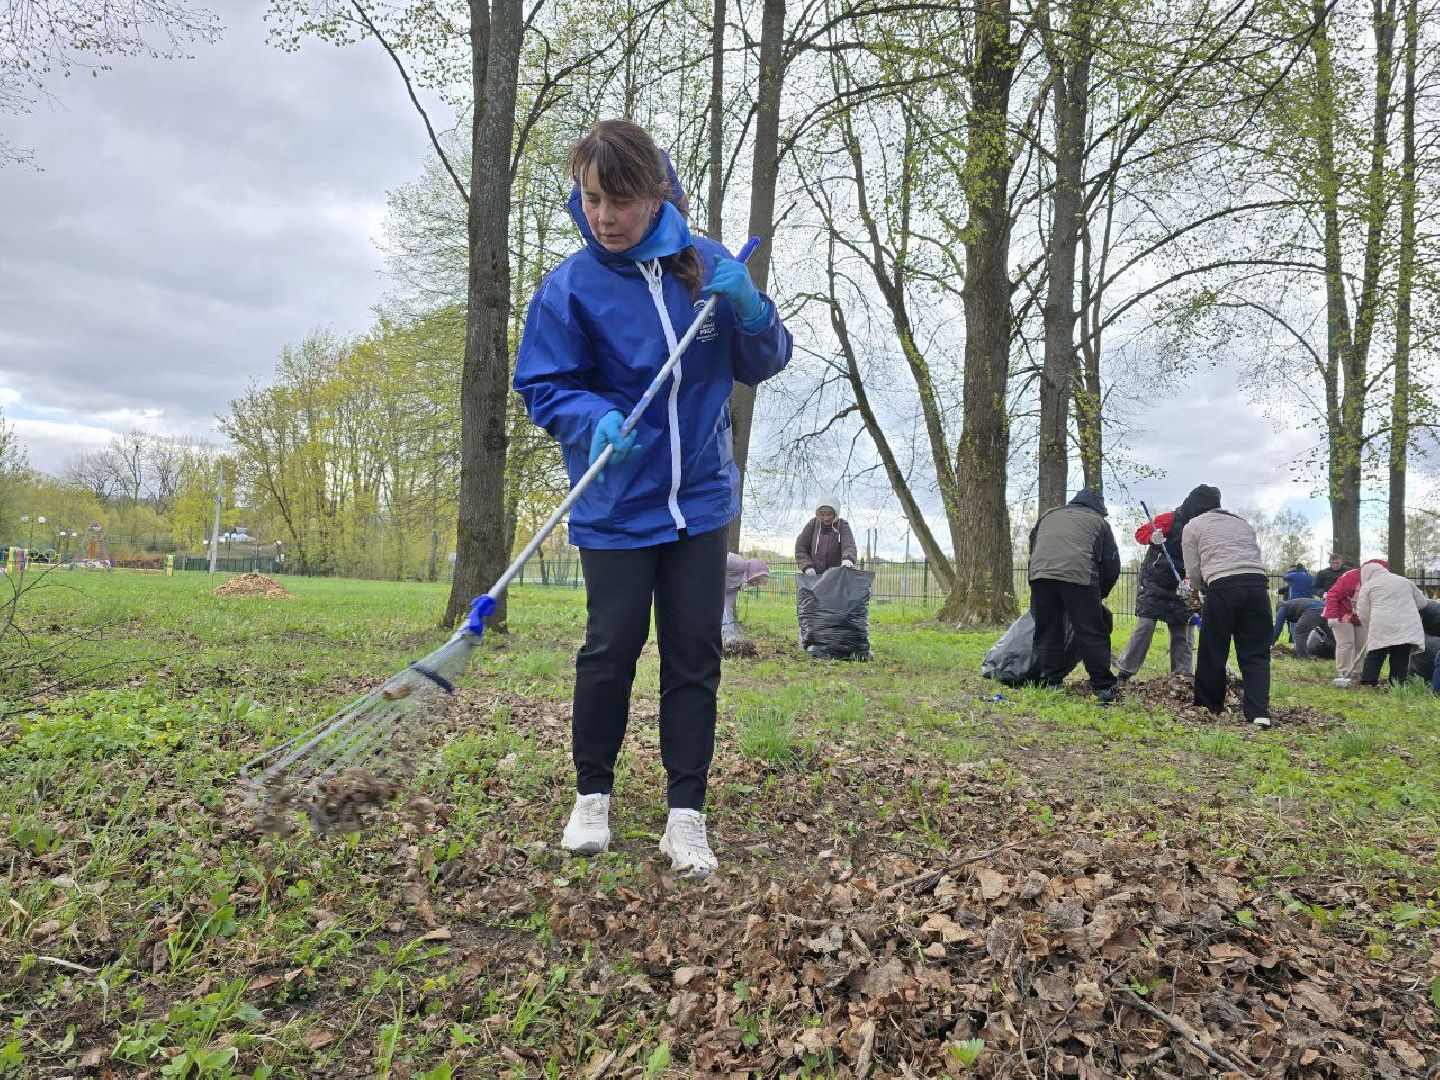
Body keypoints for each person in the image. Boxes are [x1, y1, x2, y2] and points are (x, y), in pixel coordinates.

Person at [512, 119, 792, 877]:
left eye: (621, 200)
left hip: (698, 500)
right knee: (610, 649)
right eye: (592, 198)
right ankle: (592, 795)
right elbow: (542, 384)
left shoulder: (706, 265)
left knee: (694, 652)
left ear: (656, 192)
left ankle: (685, 815)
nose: (604, 215)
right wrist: (589, 419)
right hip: (615, 503)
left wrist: (752, 308)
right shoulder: (572, 284)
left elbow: (763, 360)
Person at [1179, 487, 1272, 727]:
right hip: (1257, 585)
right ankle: (1258, 711)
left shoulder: (1193, 525)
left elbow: (1193, 569)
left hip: (1223, 585)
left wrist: (1198, 590)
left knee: (1214, 648)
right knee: (1256, 651)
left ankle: (1209, 706)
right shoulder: (1242, 523)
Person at [1027, 489, 1121, 702]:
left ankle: (1051, 681)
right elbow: (1111, 563)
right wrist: (1099, 595)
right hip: (1078, 576)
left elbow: (1034, 547)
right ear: (1099, 508)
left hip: (1041, 575)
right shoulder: (1099, 523)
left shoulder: (1049, 515)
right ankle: (1103, 687)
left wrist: (1034, 578)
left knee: (1048, 629)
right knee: (1090, 631)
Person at [1115, 510, 1194, 681]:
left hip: (1183, 586)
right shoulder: (1170, 519)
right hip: (1155, 581)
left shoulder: (1205, 525)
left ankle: (1182, 677)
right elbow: (1140, 533)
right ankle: (1124, 672)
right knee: (1146, 624)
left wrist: (1189, 580)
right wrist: (1152, 537)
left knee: (1183, 630)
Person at [1354, 561, 1428, 687]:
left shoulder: (1368, 586)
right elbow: (1422, 602)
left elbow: (1363, 612)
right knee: (1401, 656)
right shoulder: (1405, 581)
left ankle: (1368, 684)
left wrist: (1368, 627)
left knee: (1375, 654)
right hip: (1407, 624)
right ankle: (1396, 685)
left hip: (1381, 624)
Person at [1324, 560, 1382, 687]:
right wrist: (1332, 616)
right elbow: (1332, 595)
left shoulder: (1380, 582)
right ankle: (1343, 673)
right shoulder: (1350, 577)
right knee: (1346, 643)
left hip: (1361, 617)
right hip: (1342, 614)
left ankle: (1357, 673)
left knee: (1361, 645)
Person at [794, 501, 856, 576]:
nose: (826, 518)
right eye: (822, 515)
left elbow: (848, 545)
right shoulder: (812, 525)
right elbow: (800, 548)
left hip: (836, 577)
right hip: (814, 577)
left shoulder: (842, 526)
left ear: (835, 513)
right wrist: (807, 566)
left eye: (829, 514)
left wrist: (848, 559)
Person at [722, 554, 769, 648]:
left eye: (759, 582)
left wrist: (729, 634)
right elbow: (715, 560)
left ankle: (727, 638)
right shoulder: (737, 563)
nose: (756, 584)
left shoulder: (737, 585)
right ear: (753, 572)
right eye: (757, 580)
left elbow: (726, 608)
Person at [1272, 563, 1315, 643]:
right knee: (1302, 626)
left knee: (1293, 625)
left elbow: (1285, 577)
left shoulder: (1293, 577)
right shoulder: (1309, 577)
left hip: (1294, 605)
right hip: (1307, 605)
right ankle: (1299, 645)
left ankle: (1274, 641)